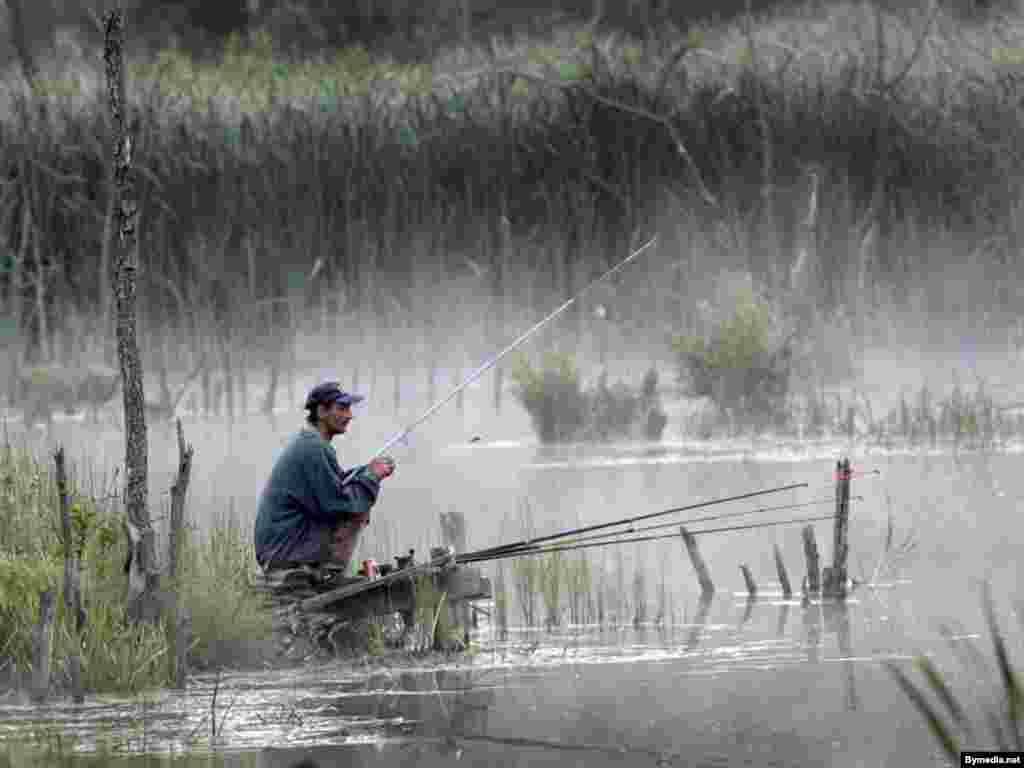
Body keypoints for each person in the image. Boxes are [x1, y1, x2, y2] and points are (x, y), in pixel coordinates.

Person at [254, 382, 396, 574]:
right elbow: (337, 504)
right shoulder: (313, 448)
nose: (349, 415)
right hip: (283, 553)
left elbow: (336, 485)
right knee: (357, 509)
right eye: (342, 408)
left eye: (349, 409)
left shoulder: (310, 442)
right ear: (321, 411)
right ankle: (328, 576)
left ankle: (326, 573)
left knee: (358, 495)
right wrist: (372, 477)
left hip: (279, 549)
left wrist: (366, 471)